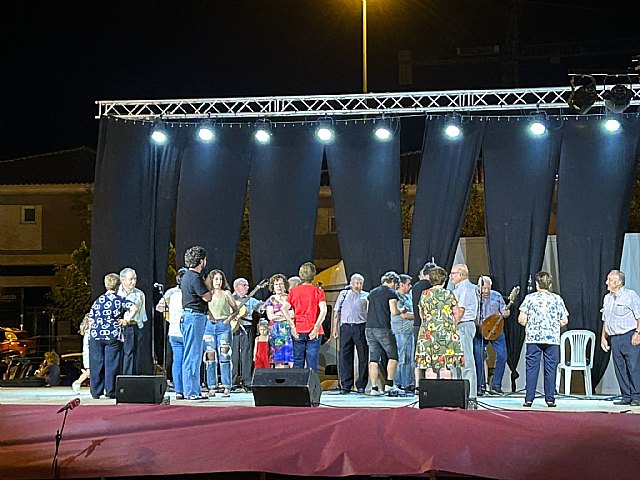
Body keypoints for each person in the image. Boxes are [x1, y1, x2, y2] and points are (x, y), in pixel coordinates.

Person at [518, 271, 569, 408]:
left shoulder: (530, 298)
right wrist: (552, 324)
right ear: (550, 284)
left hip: (533, 338)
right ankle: (550, 399)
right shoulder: (557, 299)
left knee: (532, 368)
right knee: (551, 368)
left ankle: (529, 399)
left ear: (536, 284)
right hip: (552, 339)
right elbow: (564, 320)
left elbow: (522, 320)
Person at [88, 273, 138, 399]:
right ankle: (110, 391)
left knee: (96, 362)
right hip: (112, 334)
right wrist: (126, 320)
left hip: (96, 334)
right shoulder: (119, 300)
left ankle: (95, 391)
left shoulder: (98, 300)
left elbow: (91, 318)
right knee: (111, 363)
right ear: (118, 285)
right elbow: (134, 308)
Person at [415, 266, 464, 380]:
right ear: (444, 279)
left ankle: (431, 395)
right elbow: (456, 313)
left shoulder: (425, 294)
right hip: (446, 332)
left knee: (430, 366)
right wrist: (452, 326)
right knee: (445, 366)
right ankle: (446, 393)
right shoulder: (448, 294)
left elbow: (421, 313)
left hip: (428, 332)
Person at [600, 270, 640, 406]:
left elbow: (639, 315)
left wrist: (638, 333)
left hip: (629, 336)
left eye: (609, 280)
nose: (607, 282)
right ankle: (626, 395)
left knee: (633, 367)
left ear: (618, 282)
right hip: (614, 338)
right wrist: (603, 337)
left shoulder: (630, 295)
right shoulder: (607, 298)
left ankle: (636, 396)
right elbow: (605, 319)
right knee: (620, 368)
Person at [180, 246, 212, 400]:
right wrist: (209, 285)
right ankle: (191, 392)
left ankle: (194, 390)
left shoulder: (186, 276)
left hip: (189, 316)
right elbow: (207, 297)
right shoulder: (195, 277)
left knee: (193, 353)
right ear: (201, 261)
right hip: (195, 317)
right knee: (193, 354)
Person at [365, 271, 402, 396]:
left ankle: (374, 388)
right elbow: (394, 311)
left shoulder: (372, 292)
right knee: (393, 356)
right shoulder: (391, 293)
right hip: (383, 328)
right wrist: (401, 310)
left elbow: (367, 309)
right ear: (392, 282)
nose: (396, 287)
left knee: (374, 358)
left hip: (369, 328)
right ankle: (389, 385)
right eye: (396, 284)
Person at [331, 273, 369, 394]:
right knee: (345, 355)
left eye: (361, 283)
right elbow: (336, 312)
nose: (359, 285)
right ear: (351, 283)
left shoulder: (366, 296)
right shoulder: (343, 294)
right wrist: (334, 329)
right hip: (346, 327)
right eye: (357, 283)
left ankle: (361, 385)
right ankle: (346, 384)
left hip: (360, 326)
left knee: (363, 355)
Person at [204, 269, 239, 397]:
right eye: (216, 279)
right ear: (211, 280)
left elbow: (236, 309)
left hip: (223, 326)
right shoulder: (207, 294)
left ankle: (226, 385)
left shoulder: (226, 293)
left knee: (224, 355)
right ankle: (212, 386)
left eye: (220, 279)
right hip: (209, 327)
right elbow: (203, 308)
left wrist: (229, 319)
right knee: (210, 355)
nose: (218, 282)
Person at [287, 262, 327, 372]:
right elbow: (323, 310)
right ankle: (311, 388)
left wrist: (292, 326)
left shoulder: (294, 291)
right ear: (313, 275)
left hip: (298, 329)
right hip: (314, 330)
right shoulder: (318, 291)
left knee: (298, 361)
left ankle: (296, 388)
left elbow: (283, 309)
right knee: (312, 363)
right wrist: (315, 328)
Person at [474, 275, 509, 395]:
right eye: (483, 289)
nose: (485, 291)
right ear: (478, 287)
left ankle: (496, 385)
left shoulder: (497, 296)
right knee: (478, 356)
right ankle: (481, 385)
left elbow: (505, 310)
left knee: (503, 355)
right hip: (480, 329)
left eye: (487, 289)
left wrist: (506, 313)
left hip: (495, 329)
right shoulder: (473, 295)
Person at [155, 267, 187, 399]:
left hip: (174, 331)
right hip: (180, 330)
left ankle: (181, 389)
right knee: (183, 360)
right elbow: (159, 307)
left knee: (179, 360)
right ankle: (183, 388)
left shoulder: (174, 294)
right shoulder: (172, 293)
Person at [450, 263, 478, 399]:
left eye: (453, 274)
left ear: (461, 275)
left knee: (466, 360)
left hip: (463, 325)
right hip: (458, 326)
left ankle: (471, 395)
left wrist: (451, 326)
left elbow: (460, 311)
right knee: (456, 361)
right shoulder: (458, 288)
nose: (451, 277)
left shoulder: (466, 288)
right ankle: (457, 393)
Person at [231, 277, 264, 391]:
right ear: (236, 287)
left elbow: (261, 307)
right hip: (233, 329)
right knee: (233, 355)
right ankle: (232, 381)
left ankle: (247, 381)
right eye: (244, 285)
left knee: (247, 354)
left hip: (247, 328)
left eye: (247, 285)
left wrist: (267, 304)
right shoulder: (229, 298)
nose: (247, 287)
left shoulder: (251, 300)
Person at [118, 267, 147, 375]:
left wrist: (140, 327)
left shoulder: (139, 294)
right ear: (123, 280)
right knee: (121, 353)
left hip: (134, 326)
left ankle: (130, 378)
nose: (133, 282)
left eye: (135, 279)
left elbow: (142, 313)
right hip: (119, 327)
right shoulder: (117, 293)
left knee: (132, 353)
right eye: (131, 279)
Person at [412, 261, 437, 386]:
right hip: (429, 324)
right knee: (432, 354)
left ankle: (418, 384)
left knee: (419, 355)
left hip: (416, 324)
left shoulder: (415, 286)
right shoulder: (431, 288)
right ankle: (432, 382)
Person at [264, 273, 295, 368]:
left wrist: (280, 313)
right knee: (277, 356)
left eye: (281, 284)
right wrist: (285, 314)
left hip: (289, 330)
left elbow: (294, 313)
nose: (279, 286)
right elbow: (271, 317)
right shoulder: (271, 300)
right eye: (276, 284)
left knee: (291, 355)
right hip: (276, 331)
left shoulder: (290, 297)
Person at [391, 274, 415, 393]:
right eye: (408, 284)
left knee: (409, 359)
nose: (410, 286)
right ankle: (399, 383)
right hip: (400, 331)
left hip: (409, 332)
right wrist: (418, 316)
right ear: (401, 285)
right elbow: (403, 315)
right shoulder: (396, 297)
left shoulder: (408, 297)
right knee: (401, 358)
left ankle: (408, 383)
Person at [72, 315, 92, 393]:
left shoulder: (89, 332)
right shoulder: (88, 333)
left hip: (91, 353)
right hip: (88, 354)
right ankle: (77, 383)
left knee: (91, 372)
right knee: (89, 372)